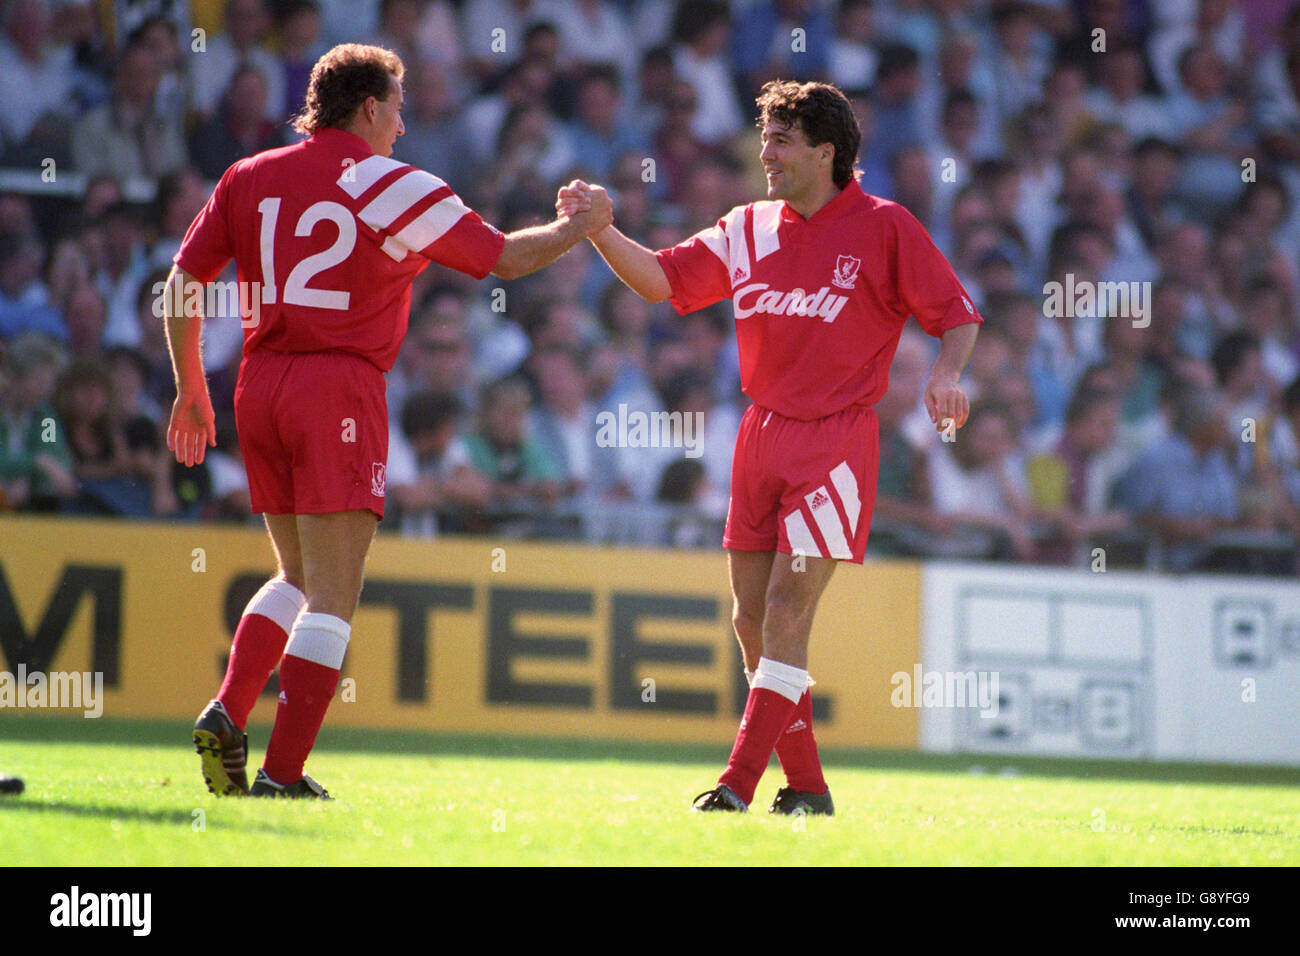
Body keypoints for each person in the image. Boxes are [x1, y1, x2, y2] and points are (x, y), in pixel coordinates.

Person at [167, 43, 611, 799]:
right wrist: (578, 229)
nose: (403, 127)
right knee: (335, 593)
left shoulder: (251, 174)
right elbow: (502, 259)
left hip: (257, 383)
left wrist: (188, 389)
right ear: (369, 107)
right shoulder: (390, 183)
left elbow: (183, 281)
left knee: (296, 575)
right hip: (338, 386)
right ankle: (283, 772)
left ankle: (228, 710)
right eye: (398, 110)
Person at [559, 80, 980, 814]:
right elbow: (661, 280)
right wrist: (601, 230)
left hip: (837, 442)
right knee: (751, 623)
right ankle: (809, 789)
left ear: (827, 152)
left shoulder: (886, 227)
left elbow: (957, 314)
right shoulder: (748, 224)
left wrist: (947, 375)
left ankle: (736, 785)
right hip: (759, 436)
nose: (766, 152)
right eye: (765, 137)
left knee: (786, 613)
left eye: (781, 139)